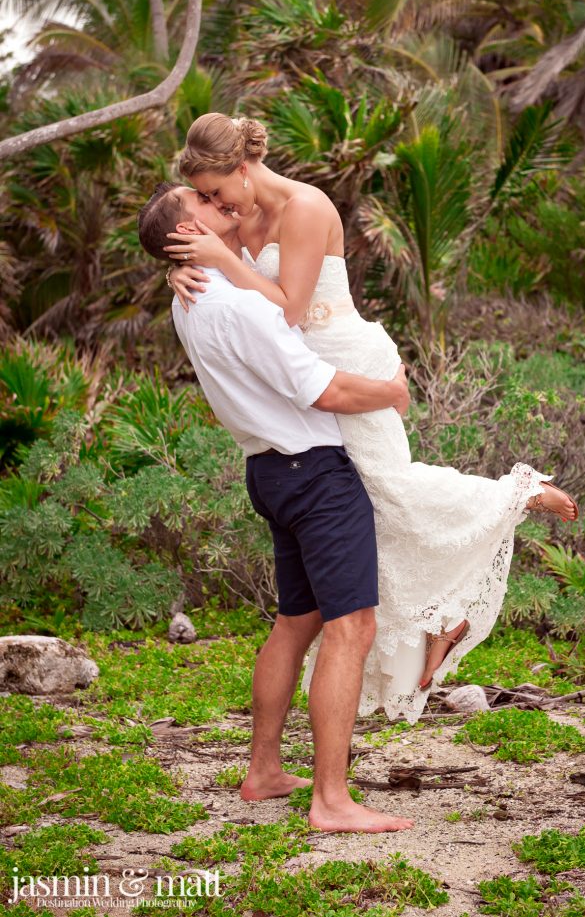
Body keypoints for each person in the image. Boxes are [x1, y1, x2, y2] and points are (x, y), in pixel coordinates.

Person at [164, 113, 580, 726]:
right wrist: (182, 267)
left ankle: (518, 493)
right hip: (301, 381)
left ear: (245, 170)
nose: (210, 202)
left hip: (343, 360)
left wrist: (219, 262)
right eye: (202, 195)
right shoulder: (234, 217)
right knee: (371, 520)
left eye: (215, 190)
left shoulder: (306, 208)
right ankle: (442, 620)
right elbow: (225, 297)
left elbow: (287, 310)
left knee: (391, 487)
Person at [138, 182, 414, 835]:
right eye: (202, 201)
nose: (218, 201)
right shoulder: (237, 305)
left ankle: (264, 770)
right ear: (187, 235)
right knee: (352, 627)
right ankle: (332, 801)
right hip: (313, 473)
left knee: (297, 620)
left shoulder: (193, 298)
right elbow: (323, 388)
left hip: (268, 470)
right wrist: (393, 392)